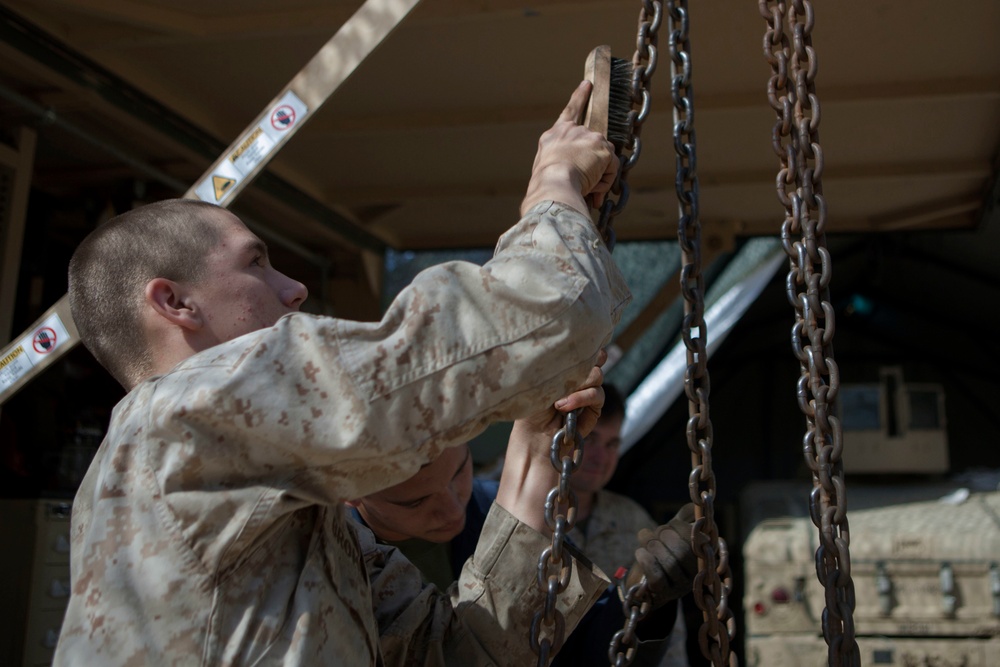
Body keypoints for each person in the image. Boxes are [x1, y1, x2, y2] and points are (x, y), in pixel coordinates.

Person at [54, 81, 633, 666]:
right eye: (255, 261)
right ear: (175, 304)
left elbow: (457, 656)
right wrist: (553, 186)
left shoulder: (282, 506)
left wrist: (533, 456)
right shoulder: (190, 413)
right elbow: (550, 312)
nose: (295, 288)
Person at [349, 382, 696, 666]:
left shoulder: (492, 512)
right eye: (416, 501)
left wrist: (642, 597)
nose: (453, 507)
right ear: (348, 495)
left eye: (459, 473)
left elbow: (579, 640)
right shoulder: (332, 565)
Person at [567, 383, 691, 667]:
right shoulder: (526, 518)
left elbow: (669, 635)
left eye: (612, 444)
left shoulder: (633, 521)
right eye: (591, 439)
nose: (601, 457)